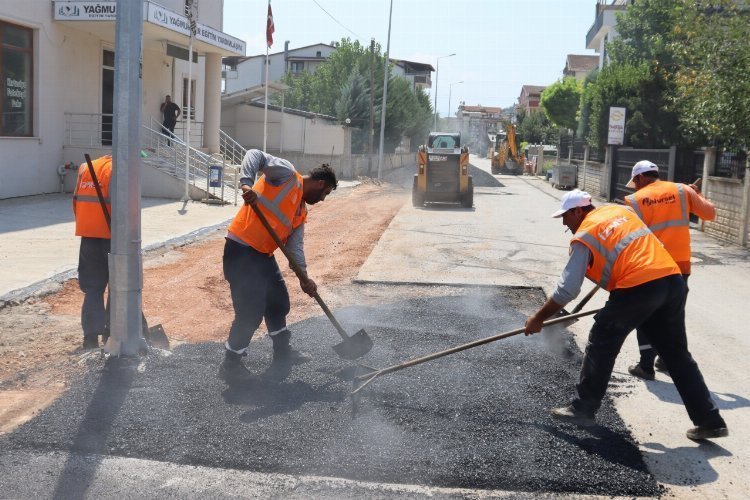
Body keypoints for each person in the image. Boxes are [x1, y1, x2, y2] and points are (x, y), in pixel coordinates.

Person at [524, 190, 727, 441]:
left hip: (639, 284)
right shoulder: (620, 211)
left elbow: (567, 289)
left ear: (578, 211)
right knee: (676, 354)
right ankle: (709, 419)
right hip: (671, 279)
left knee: (602, 340)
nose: (565, 224)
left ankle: (582, 409)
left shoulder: (584, 235)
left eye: (565, 217)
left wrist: (538, 318)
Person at [219, 149, 337, 384]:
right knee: (250, 311)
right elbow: (255, 155)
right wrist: (246, 184)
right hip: (241, 250)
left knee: (278, 302)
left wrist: (305, 278)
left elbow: (295, 249)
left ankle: (283, 352)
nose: (323, 199)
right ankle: (230, 364)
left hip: (262, 255)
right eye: (325, 193)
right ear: (320, 183)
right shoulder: (287, 174)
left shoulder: (301, 211)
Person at [623, 160, 716, 380]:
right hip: (680, 266)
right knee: (673, 314)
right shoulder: (682, 190)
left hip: (651, 265)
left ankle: (646, 367)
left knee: (646, 315)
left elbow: (631, 237)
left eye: (635, 183)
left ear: (640, 178)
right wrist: (696, 196)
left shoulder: (634, 201)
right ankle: (666, 359)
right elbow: (710, 213)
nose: (635, 188)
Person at [72, 155, 113, 349]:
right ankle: (112, 333)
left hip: (88, 235)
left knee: (93, 288)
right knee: (119, 287)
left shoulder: (85, 168)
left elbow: (75, 202)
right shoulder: (120, 169)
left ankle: (90, 338)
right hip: (114, 237)